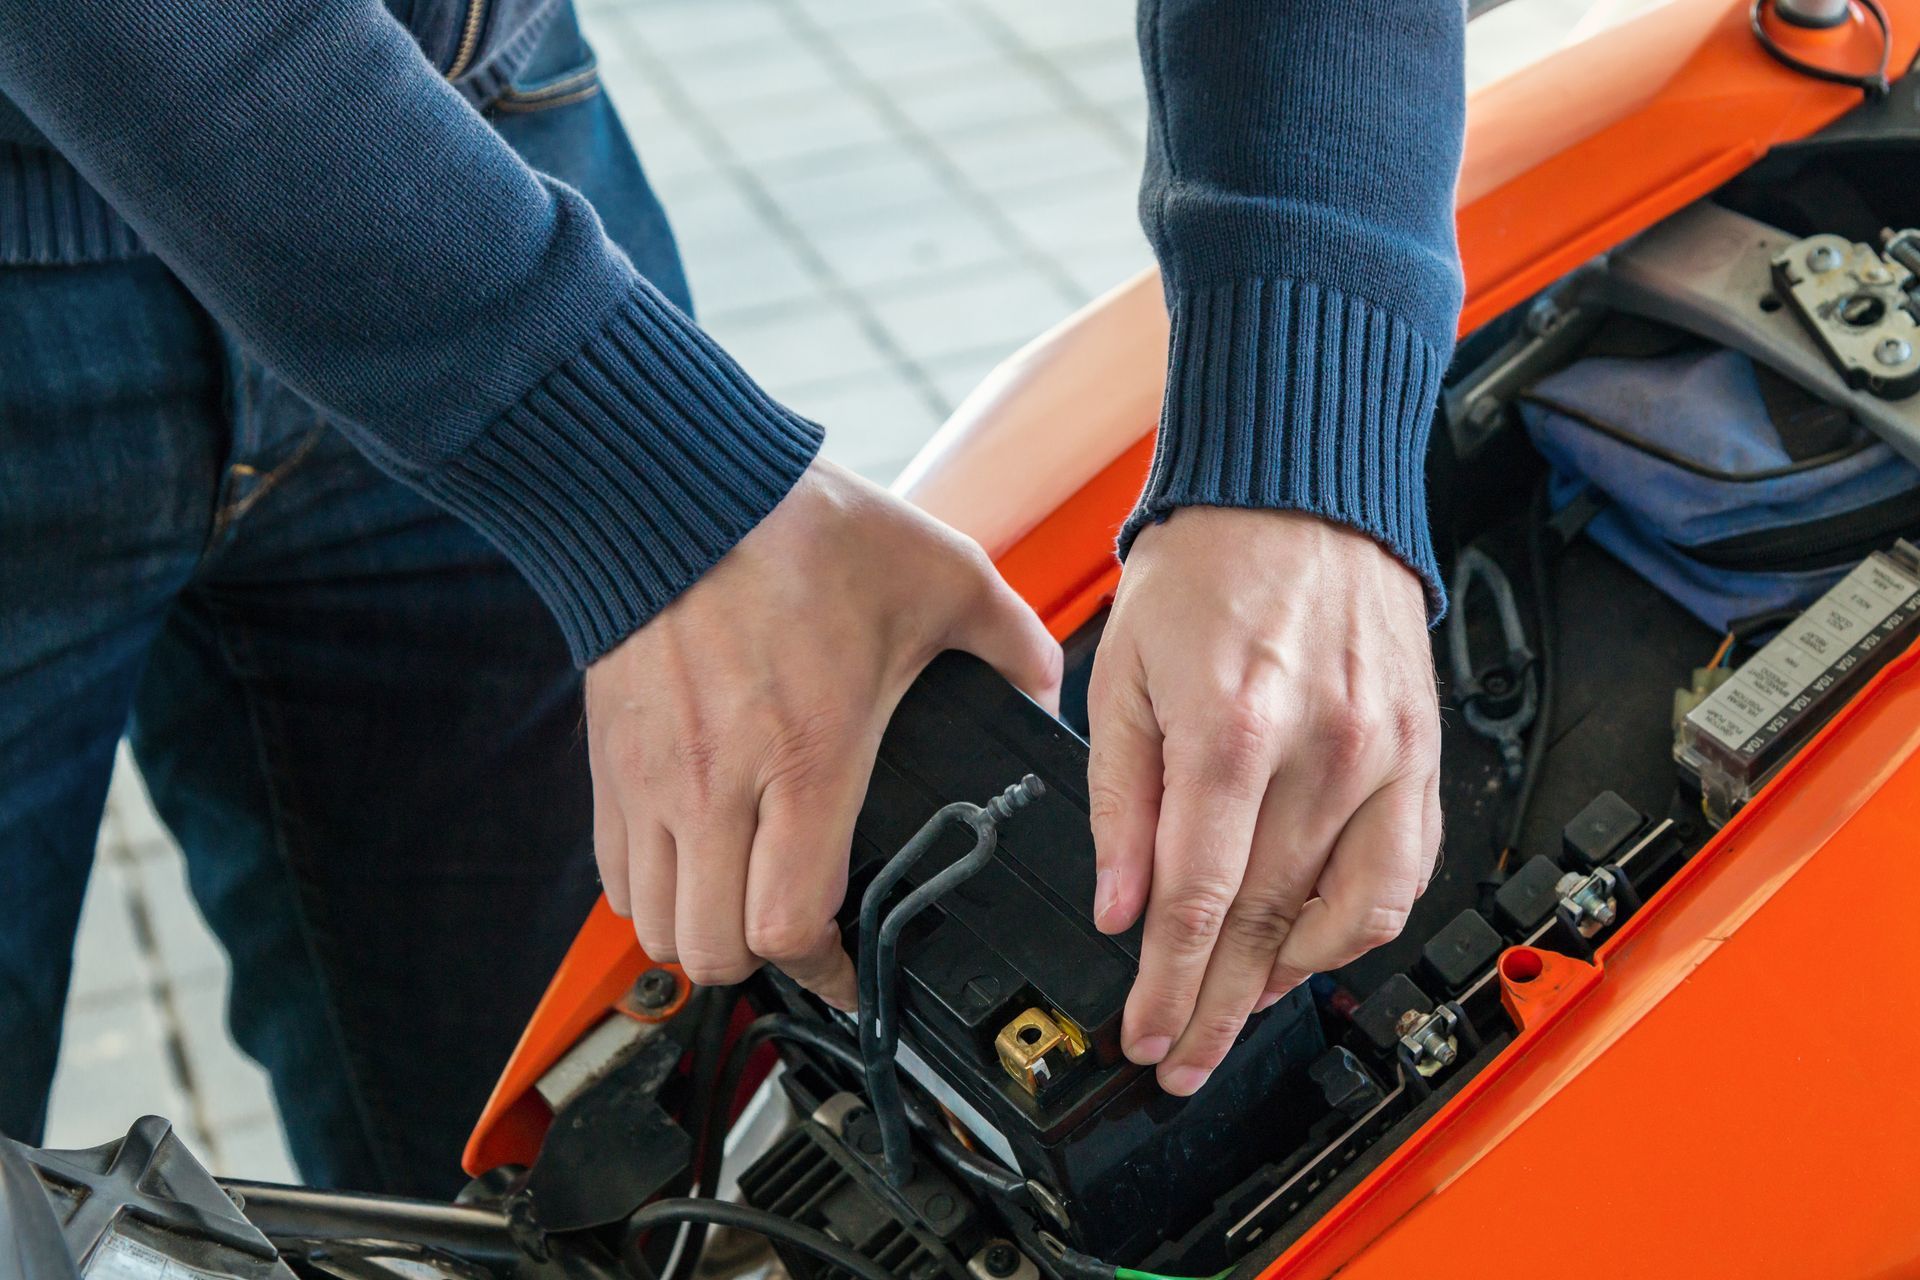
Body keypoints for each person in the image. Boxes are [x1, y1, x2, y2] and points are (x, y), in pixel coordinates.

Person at [0, 0, 1463, 1195]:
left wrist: (1302, 422)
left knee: (541, 1179)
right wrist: (627, 470)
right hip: (476, 311)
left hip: (466, 144)